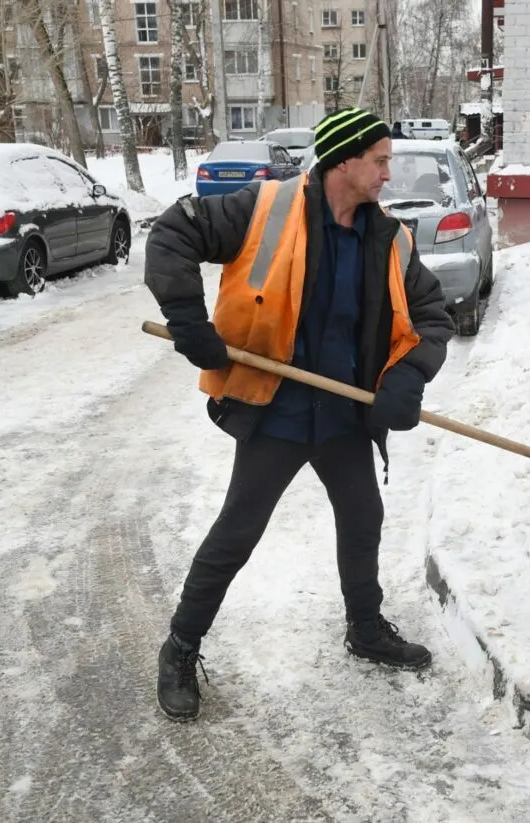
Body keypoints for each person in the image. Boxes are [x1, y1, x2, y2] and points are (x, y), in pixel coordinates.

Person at [144, 107, 455, 722]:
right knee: (238, 530)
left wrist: (407, 375)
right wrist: (189, 324)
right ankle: (180, 648)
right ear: (343, 160)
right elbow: (172, 233)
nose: (388, 174)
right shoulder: (262, 209)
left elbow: (432, 319)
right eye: (380, 161)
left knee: (363, 516)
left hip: (343, 413)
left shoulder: (389, 239)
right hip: (276, 408)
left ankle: (365, 628)